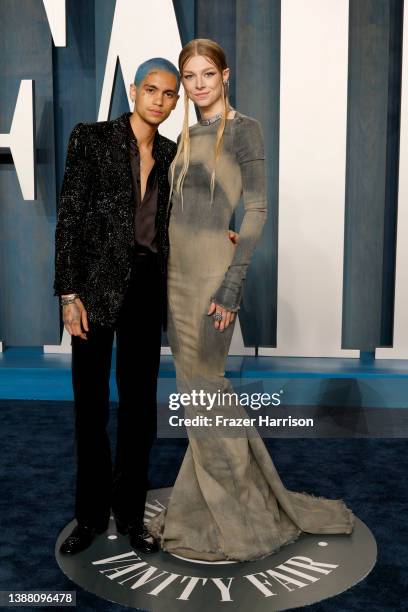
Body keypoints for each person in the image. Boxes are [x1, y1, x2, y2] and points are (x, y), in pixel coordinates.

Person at [146, 38, 355, 562]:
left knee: (207, 394)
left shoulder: (244, 131)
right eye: (188, 77)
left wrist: (232, 285)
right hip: (176, 279)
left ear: (225, 75)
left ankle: (242, 519)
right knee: (198, 401)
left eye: (206, 75)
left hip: (215, 278)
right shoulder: (184, 135)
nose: (197, 86)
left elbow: (257, 212)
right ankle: (212, 507)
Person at [54, 57, 180, 555]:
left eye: (170, 94)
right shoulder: (91, 138)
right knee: (90, 407)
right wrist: (69, 293)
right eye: (152, 89)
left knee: (138, 409)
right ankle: (89, 516)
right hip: (92, 287)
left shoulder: (173, 154)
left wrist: (225, 238)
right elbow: (69, 217)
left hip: (147, 287)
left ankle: (129, 515)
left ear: (175, 102)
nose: (160, 99)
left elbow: (181, 226)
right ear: (133, 90)